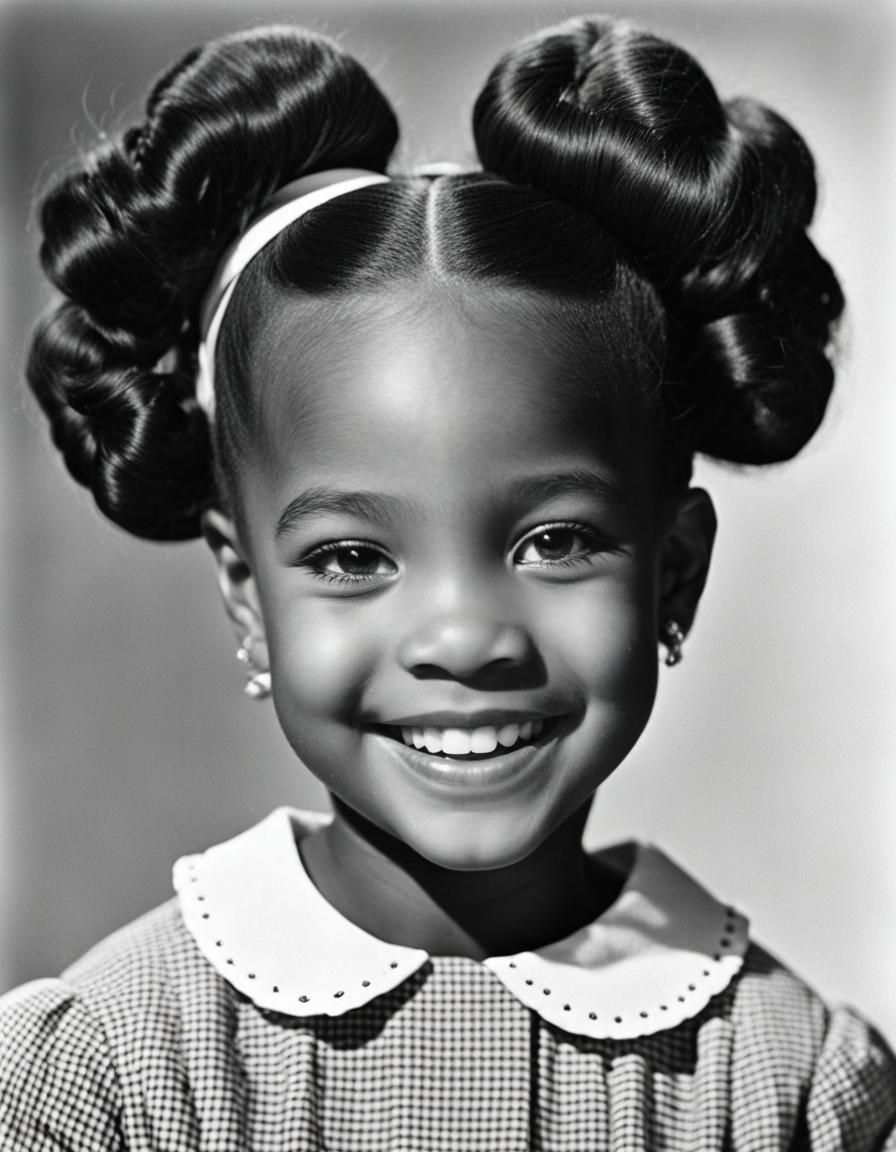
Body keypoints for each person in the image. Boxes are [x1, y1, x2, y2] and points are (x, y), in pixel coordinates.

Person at [1, 13, 894, 1150]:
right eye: (352, 558)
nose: (465, 636)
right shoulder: (102, 1076)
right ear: (244, 595)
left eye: (554, 543)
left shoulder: (790, 1086)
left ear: (673, 573)